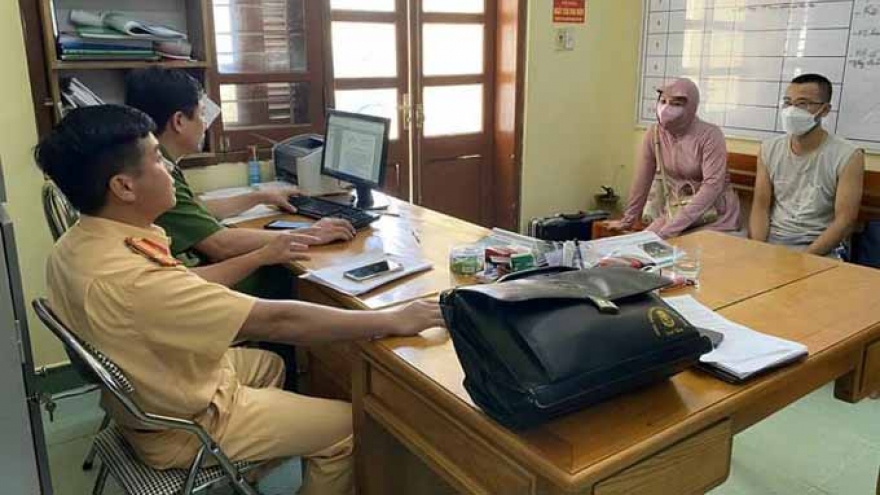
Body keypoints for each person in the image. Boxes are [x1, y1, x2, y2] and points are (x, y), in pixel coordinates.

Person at [34, 105, 445, 495]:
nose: (169, 170)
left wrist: (266, 251)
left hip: (151, 391)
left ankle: (251, 463)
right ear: (123, 186)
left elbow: (173, 288)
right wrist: (393, 319)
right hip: (180, 425)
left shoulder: (78, 245)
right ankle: (259, 453)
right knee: (350, 427)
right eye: (158, 159)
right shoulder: (133, 281)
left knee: (271, 364)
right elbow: (278, 321)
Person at [125, 68, 355, 388]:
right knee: (284, 275)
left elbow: (195, 209)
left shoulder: (150, 163)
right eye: (201, 114)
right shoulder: (157, 170)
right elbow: (221, 244)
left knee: (281, 267)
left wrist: (259, 196)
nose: (206, 124)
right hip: (191, 293)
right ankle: (309, 380)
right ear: (178, 121)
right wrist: (309, 234)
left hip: (179, 282)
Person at [749, 73, 865, 257]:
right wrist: (758, 249)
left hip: (821, 248)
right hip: (775, 241)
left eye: (803, 103)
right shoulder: (768, 149)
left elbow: (845, 220)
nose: (792, 110)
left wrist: (803, 258)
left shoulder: (849, 155)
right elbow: (760, 207)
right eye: (788, 102)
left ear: (825, 110)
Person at [609, 78, 741, 239]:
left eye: (676, 104)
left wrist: (671, 228)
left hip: (713, 215)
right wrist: (628, 219)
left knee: (675, 245)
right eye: (663, 101)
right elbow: (642, 179)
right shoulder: (654, 134)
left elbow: (712, 186)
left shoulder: (710, 135)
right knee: (642, 242)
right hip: (677, 209)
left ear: (691, 106)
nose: (666, 108)